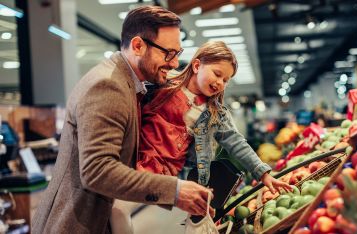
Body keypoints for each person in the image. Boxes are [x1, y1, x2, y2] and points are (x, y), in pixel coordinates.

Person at [32, 6, 213, 233]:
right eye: (168, 53)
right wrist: (175, 191)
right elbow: (97, 170)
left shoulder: (130, 85)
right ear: (138, 46)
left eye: (177, 53)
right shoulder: (108, 86)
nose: (175, 63)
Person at [110, 41, 292, 233]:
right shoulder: (162, 87)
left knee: (143, 218)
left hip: (174, 179)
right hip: (137, 166)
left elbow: (237, 143)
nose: (220, 82)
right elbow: (129, 97)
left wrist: (264, 173)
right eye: (217, 74)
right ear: (197, 66)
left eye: (226, 80)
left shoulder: (216, 114)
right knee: (117, 209)